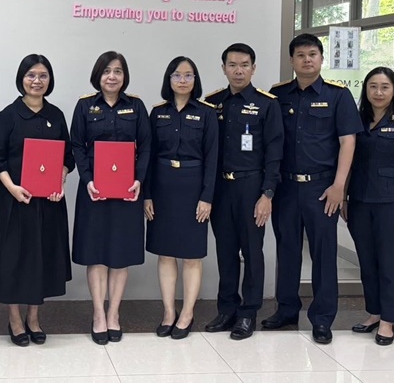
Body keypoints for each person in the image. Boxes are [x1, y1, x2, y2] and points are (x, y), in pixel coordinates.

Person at [265, 33, 362, 344]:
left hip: (322, 188)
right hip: (285, 187)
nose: (307, 60)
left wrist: (339, 186)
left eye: (312, 54)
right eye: (300, 55)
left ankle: (322, 318)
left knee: (323, 253)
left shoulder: (338, 95)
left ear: (321, 58)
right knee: (287, 250)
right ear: (291, 61)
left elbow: (348, 142)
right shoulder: (278, 95)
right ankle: (286, 310)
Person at [0, 54, 75, 346]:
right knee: (14, 261)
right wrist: (13, 188)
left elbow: (67, 158)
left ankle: (34, 317)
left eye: (43, 76)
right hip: (14, 202)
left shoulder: (56, 115)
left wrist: (59, 180)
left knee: (41, 260)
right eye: (31, 75)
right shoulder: (9, 115)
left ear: (50, 80)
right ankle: (15, 319)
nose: (36, 81)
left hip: (49, 203)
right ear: (21, 79)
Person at [204, 43, 283, 340]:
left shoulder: (267, 104)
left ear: (253, 68)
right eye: (233, 65)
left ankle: (248, 313)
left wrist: (267, 194)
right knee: (225, 251)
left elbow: (274, 152)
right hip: (220, 188)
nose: (239, 71)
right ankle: (227, 309)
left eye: (245, 65)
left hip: (252, 187)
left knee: (251, 251)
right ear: (223, 68)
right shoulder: (212, 103)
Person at [71, 50, 151, 345]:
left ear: (124, 76)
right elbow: (77, 146)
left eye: (117, 71)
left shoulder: (136, 106)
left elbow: (146, 146)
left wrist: (138, 180)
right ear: (98, 75)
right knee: (96, 254)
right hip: (94, 191)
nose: (112, 76)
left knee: (120, 254)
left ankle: (114, 313)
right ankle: (98, 314)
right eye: (106, 71)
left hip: (127, 192)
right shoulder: (85, 106)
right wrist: (88, 180)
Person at [345, 67, 394, 346]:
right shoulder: (357, 121)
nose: (378, 92)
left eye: (385, 87)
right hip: (360, 202)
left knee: (390, 262)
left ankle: (389, 320)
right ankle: (374, 313)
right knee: (367, 261)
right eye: (373, 86)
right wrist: (344, 198)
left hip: (392, 203)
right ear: (366, 89)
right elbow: (348, 162)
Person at [144, 56, 217, 340]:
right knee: (165, 253)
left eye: (188, 75)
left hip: (193, 188)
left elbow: (212, 158)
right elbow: (148, 156)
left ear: (195, 80)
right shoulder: (157, 113)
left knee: (191, 256)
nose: (183, 80)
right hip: (162, 187)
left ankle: (187, 313)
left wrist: (207, 197)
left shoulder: (207, 113)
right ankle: (168, 312)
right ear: (169, 79)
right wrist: (147, 195)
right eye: (177, 75)